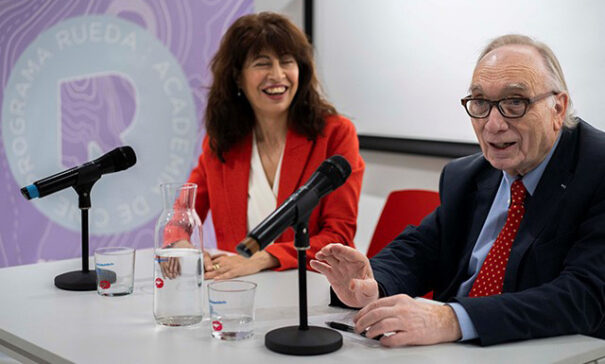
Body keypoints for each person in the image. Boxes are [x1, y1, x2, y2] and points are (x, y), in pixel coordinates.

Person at [310, 34, 605, 346]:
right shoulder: (467, 175)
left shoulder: (596, 169)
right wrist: (371, 283)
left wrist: (453, 319)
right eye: (480, 103)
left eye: (514, 103)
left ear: (558, 108)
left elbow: (583, 295)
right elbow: (421, 250)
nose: (493, 124)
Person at [163, 12, 364, 280]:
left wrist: (263, 259)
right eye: (262, 64)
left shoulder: (337, 134)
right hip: (237, 291)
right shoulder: (221, 141)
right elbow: (183, 211)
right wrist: (180, 245)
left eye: (287, 62)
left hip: (310, 288)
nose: (277, 75)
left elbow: (338, 236)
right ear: (237, 77)